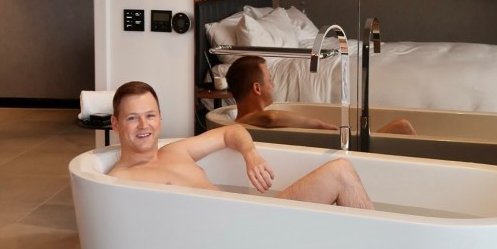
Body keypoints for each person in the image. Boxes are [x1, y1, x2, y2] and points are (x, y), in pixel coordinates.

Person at [109, 80, 374, 209]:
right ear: (115, 123)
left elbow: (231, 131)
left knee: (342, 169)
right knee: (340, 173)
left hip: (249, 220)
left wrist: (250, 153)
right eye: (132, 118)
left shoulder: (176, 151)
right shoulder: (119, 180)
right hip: (234, 237)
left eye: (150, 116)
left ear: (160, 119)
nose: (143, 125)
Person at [225, 55, 417, 135]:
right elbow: (271, 117)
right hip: (345, 157)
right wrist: (321, 125)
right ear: (257, 88)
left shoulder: (248, 121)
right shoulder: (244, 121)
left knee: (402, 126)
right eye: (270, 80)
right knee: (402, 126)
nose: (273, 85)